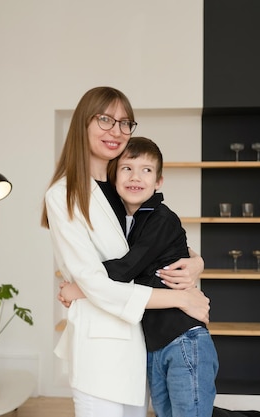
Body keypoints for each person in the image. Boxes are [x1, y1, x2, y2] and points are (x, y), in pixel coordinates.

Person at [41, 86, 209, 417]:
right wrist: (181, 298)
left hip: (141, 345)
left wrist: (197, 262)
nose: (116, 131)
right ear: (82, 124)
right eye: (105, 120)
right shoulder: (64, 195)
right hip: (100, 349)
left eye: (124, 123)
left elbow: (157, 242)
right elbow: (96, 282)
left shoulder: (124, 184)